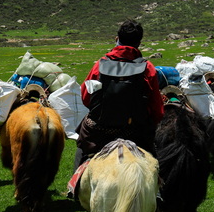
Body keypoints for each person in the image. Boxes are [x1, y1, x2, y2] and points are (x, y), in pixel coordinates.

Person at [66, 20, 165, 196]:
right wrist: (150, 121)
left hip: (101, 129)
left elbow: (85, 96)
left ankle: (76, 183)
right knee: (152, 156)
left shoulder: (100, 64)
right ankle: (157, 190)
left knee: (82, 143)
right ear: (139, 42)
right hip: (135, 129)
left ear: (117, 38)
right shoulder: (147, 67)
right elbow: (156, 107)